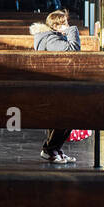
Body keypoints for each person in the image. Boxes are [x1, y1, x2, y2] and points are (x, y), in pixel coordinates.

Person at [30, 9, 82, 164]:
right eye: (65, 22)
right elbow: (73, 50)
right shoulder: (50, 39)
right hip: (54, 85)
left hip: (53, 85)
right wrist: (72, 30)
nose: (68, 25)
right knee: (66, 116)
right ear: (58, 25)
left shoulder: (49, 37)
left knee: (61, 117)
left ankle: (54, 149)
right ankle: (49, 150)